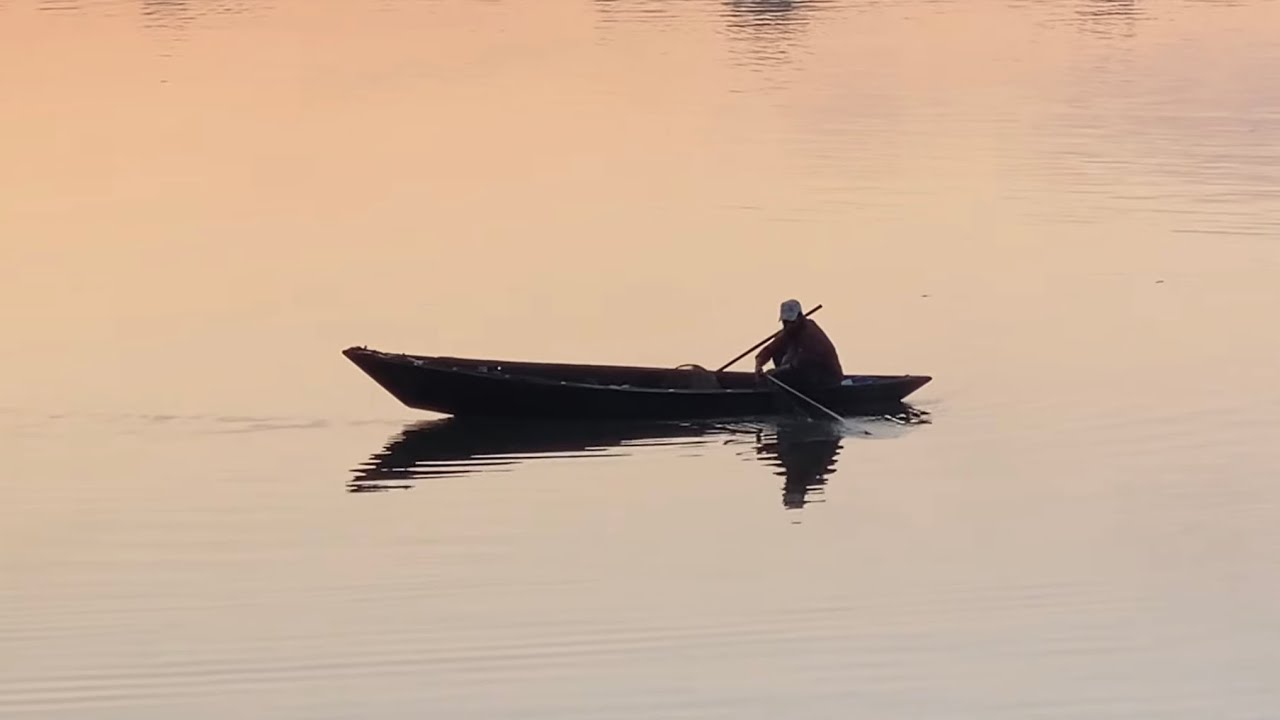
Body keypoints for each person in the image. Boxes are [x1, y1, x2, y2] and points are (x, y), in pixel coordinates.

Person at [753, 299, 844, 391]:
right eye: (785, 322)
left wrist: (775, 373)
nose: (788, 326)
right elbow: (770, 349)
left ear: (800, 317)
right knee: (778, 352)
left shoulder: (810, 334)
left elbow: (800, 364)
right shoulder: (789, 331)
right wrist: (759, 365)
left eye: (791, 322)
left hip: (826, 379)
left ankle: (786, 396)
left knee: (782, 375)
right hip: (803, 372)